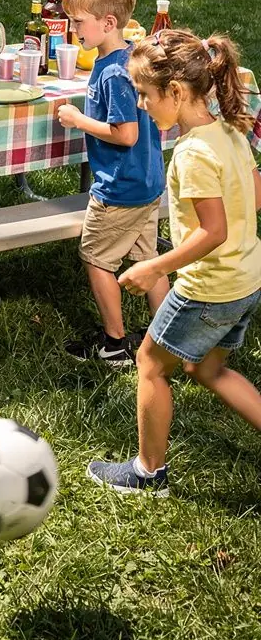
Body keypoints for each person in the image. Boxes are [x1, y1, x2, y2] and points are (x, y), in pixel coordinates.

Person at [88, 29, 261, 496]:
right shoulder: (228, 132)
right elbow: (255, 197)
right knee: (207, 369)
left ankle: (148, 472)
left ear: (177, 92)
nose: (141, 105)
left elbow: (213, 231)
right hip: (247, 279)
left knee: (149, 364)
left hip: (209, 288)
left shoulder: (192, 153)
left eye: (144, 95)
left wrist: (155, 267)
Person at [57, 0, 168, 367]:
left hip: (119, 188)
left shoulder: (115, 73)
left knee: (96, 258)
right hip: (147, 182)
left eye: (79, 22)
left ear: (107, 23)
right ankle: (166, 340)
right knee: (148, 259)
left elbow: (125, 135)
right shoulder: (129, 61)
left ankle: (114, 344)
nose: (74, 30)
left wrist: (77, 120)